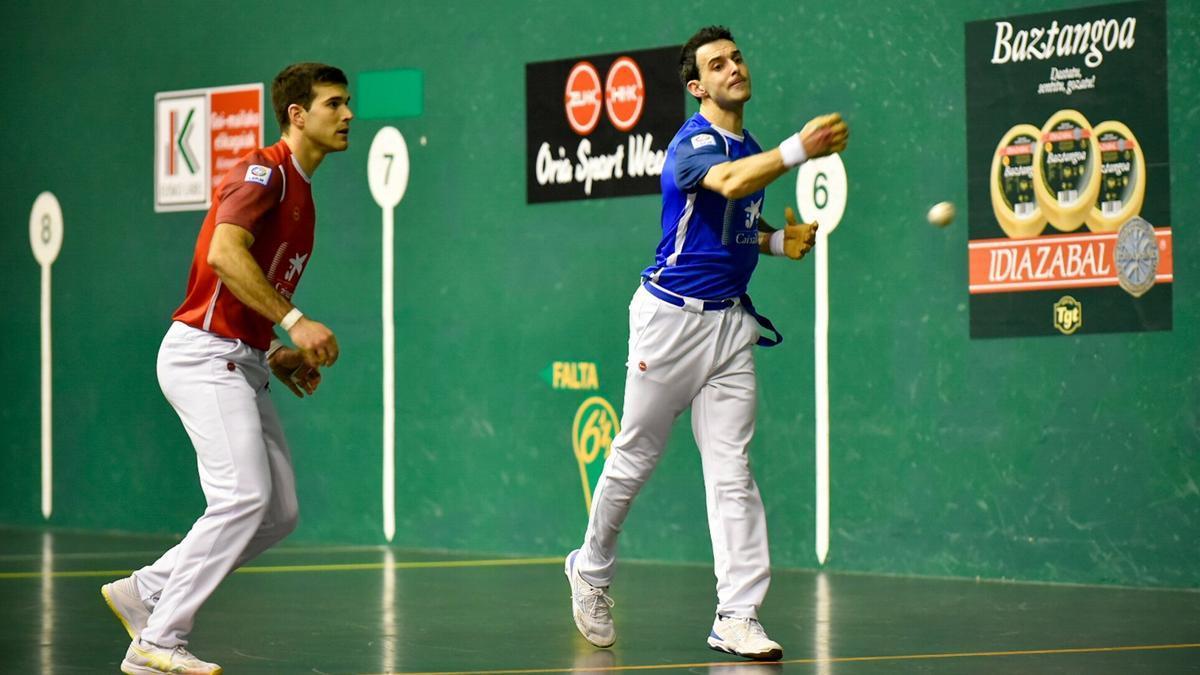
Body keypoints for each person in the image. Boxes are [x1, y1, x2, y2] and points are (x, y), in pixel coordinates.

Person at [565, 26, 848, 661]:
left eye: (737, 57)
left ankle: (738, 614)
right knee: (635, 456)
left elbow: (733, 223)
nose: (733, 69)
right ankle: (590, 568)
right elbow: (729, 185)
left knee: (732, 471)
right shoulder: (692, 145)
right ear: (697, 86)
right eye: (717, 65)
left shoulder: (746, 144)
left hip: (729, 328)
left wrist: (775, 242)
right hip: (668, 322)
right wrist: (799, 149)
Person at [101, 62, 352, 675]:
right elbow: (223, 254)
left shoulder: (304, 194)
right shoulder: (262, 171)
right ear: (298, 115)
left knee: (277, 510)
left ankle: (146, 592)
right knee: (242, 495)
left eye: (348, 104)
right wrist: (295, 322)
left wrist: (277, 353)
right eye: (334, 104)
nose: (348, 116)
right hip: (202, 355)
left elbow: (241, 295)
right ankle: (158, 639)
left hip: (243, 358)